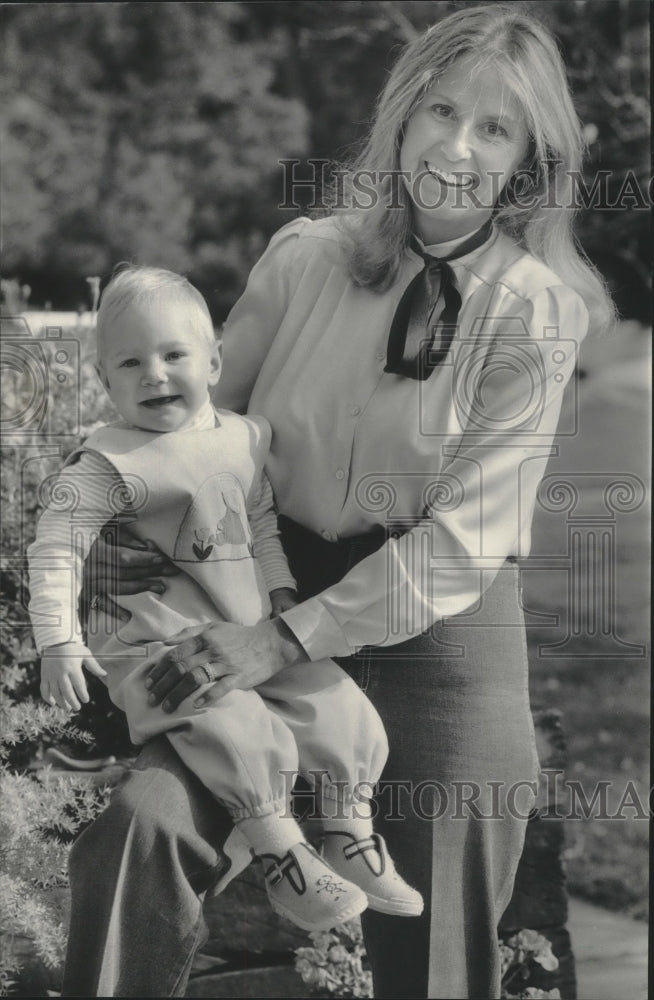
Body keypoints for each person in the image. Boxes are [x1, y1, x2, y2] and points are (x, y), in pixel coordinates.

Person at [62, 5, 614, 998]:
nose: (455, 144)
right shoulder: (305, 257)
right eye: (440, 110)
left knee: (439, 941)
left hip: (444, 636)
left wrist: (286, 641)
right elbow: (200, 437)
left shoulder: (537, 312)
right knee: (143, 830)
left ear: (527, 163)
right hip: (259, 591)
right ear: (401, 117)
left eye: (494, 128)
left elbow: (465, 541)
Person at [27, 265, 423, 936]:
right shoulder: (109, 462)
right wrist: (58, 640)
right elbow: (55, 546)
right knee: (235, 727)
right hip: (161, 640)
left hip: (248, 627)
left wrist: (279, 591)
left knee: (341, 707)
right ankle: (280, 855)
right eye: (130, 362)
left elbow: (259, 521)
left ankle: (346, 832)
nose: (154, 374)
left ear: (213, 363)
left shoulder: (242, 438)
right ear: (104, 382)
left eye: (173, 355)